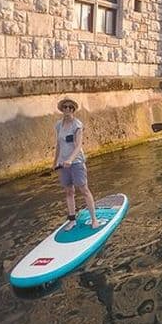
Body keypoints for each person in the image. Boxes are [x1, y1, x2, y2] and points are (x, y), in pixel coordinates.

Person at [53, 97, 98, 230]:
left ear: (73, 110)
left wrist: (71, 159)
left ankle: (94, 219)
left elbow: (78, 146)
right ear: (62, 109)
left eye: (70, 107)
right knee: (68, 191)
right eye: (65, 107)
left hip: (76, 162)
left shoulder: (77, 125)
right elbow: (58, 144)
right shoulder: (58, 125)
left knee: (84, 190)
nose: (67, 109)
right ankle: (72, 220)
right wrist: (55, 161)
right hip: (63, 163)